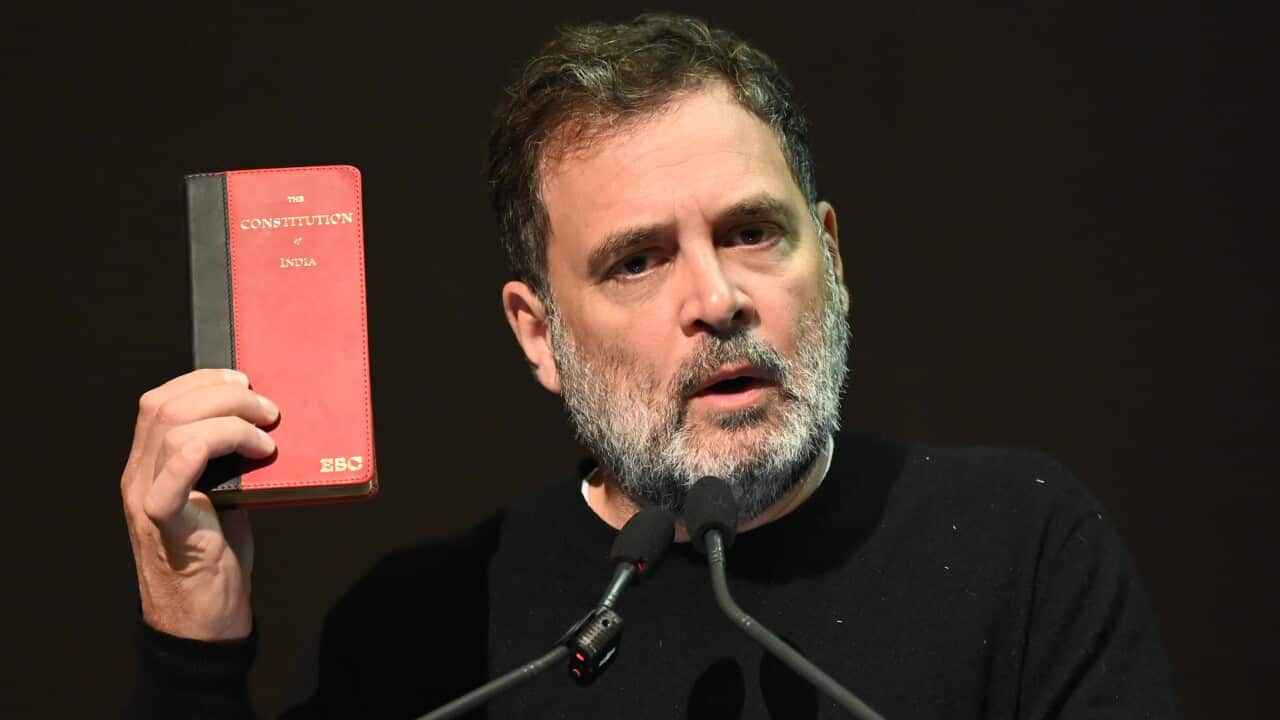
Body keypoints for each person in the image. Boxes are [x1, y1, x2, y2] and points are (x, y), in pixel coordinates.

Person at [122, 13, 1178, 719]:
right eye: (636, 261)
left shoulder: (1019, 546)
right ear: (538, 334)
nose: (716, 299)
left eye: (753, 234)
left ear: (834, 256)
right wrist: (192, 647)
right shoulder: (422, 632)